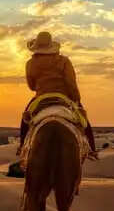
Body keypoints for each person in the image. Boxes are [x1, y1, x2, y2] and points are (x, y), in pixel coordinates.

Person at [18, 31, 98, 159]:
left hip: (41, 97)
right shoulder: (64, 61)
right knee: (84, 121)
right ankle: (91, 149)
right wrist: (76, 100)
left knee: (25, 120)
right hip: (64, 96)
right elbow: (71, 83)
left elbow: (32, 86)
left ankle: (22, 147)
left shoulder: (30, 63)